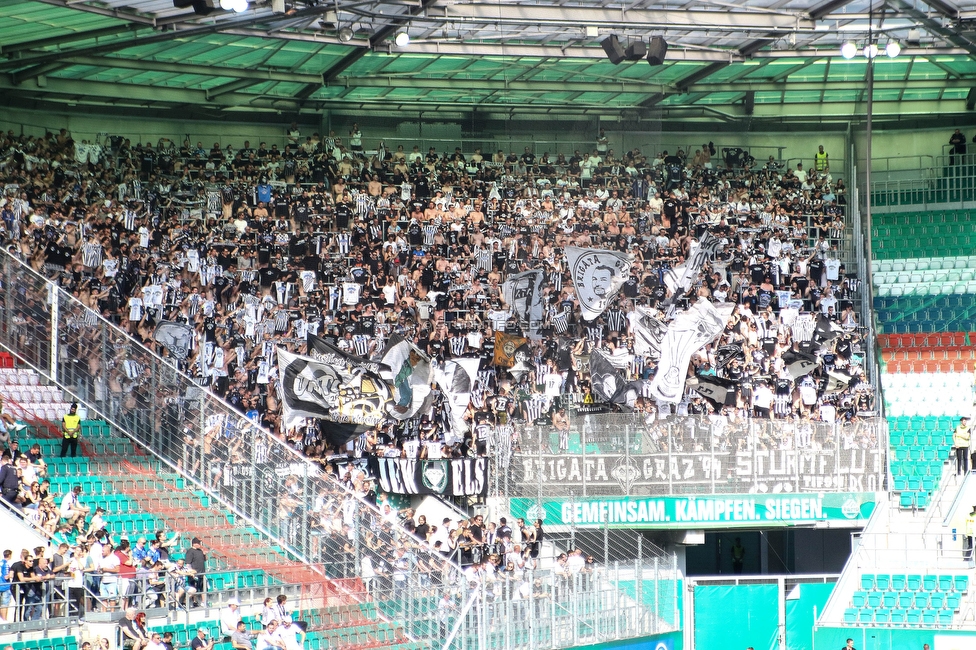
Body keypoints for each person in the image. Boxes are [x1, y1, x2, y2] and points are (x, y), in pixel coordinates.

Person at [184, 538, 207, 604]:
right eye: (198, 543)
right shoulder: (190, 551)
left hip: (202, 572)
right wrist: (191, 572)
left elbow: (205, 559)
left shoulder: (200, 551)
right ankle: (194, 601)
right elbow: (188, 563)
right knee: (194, 588)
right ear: (194, 543)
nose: (200, 545)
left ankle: (203, 602)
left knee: (203, 588)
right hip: (194, 573)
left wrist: (205, 554)